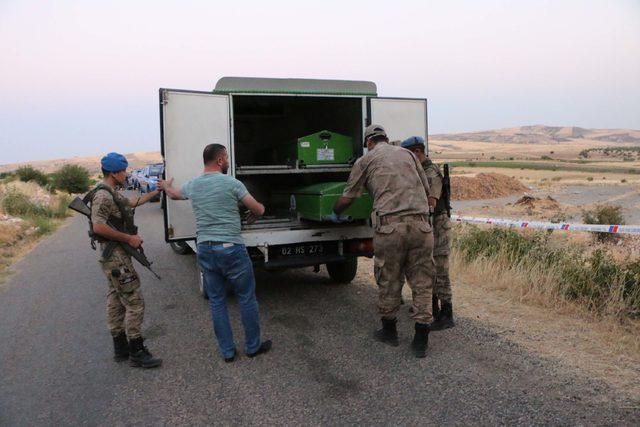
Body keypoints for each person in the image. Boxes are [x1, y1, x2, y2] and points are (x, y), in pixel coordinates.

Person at [332, 124, 436, 358]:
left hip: (390, 228)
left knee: (389, 278)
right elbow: (426, 186)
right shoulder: (408, 153)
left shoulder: (366, 160)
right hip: (421, 226)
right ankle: (421, 338)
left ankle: (390, 332)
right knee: (422, 281)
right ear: (386, 139)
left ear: (369, 142)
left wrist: (335, 210)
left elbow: (349, 196)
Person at [160, 144, 271, 362]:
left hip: (205, 248)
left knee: (217, 301)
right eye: (227, 157)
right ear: (220, 160)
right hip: (231, 248)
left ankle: (228, 352)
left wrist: (165, 185)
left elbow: (173, 195)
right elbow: (257, 209)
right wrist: (259, 210)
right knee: (246, 297)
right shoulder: (232, 183)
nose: (228, 160)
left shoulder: (193, 185)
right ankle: (252, 347)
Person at [88, 152, 163, 368]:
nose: (126, 173)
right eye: (123, 170)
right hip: (115, 256)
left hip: (113, 255)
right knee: (134, 301)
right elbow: (98, 226)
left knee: (115, 298)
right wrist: (129, 238)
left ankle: (120, 348)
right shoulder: (103, 196)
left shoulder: (111, 192)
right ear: (113, 172)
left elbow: (129, 204)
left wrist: (157, 192)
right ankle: (136, 351)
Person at [401, 137, 455, 330]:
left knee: (440, 270)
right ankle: (430, 309)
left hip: (438, 225)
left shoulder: (432, 173)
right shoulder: (420, 172)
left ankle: (446, 314)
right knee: (426, 269)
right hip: (427, 226)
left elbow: (431, 203)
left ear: (416, 152)